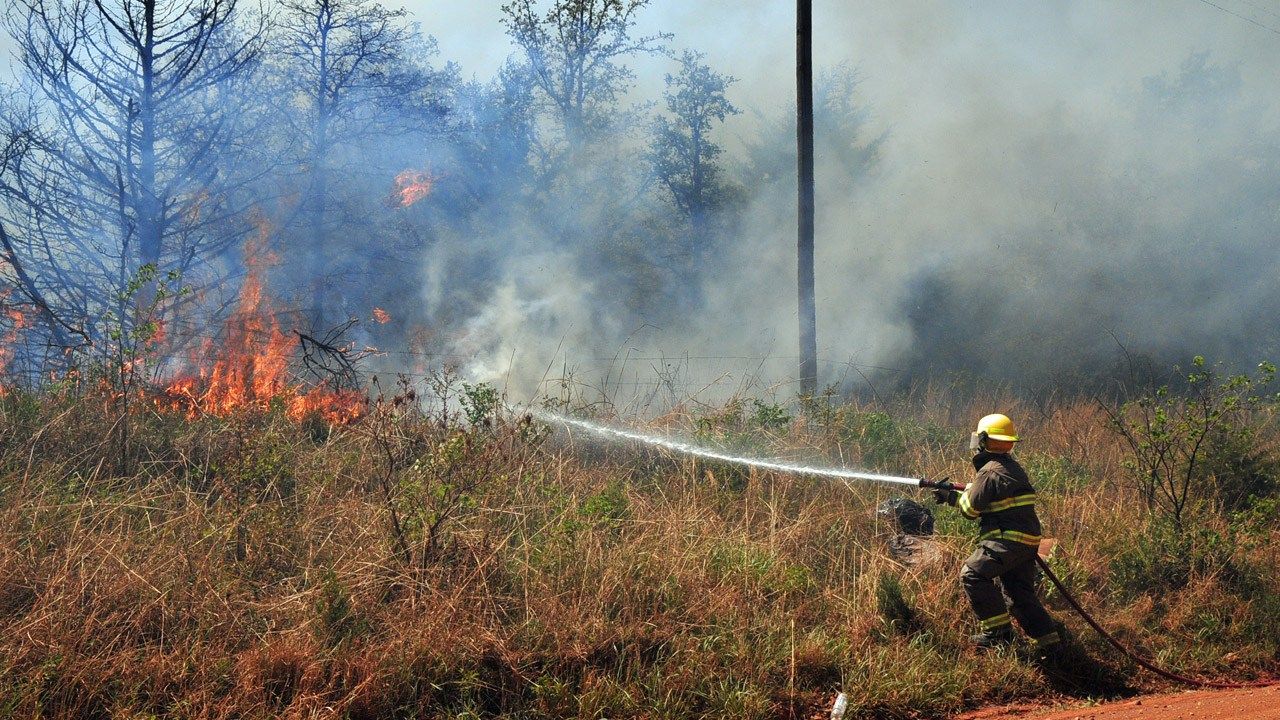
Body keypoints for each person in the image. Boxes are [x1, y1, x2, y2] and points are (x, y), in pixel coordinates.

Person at [932, 413, 1062, 652]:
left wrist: (950, 497)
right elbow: (989, 500)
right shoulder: (1010, 468)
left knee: (973, 574)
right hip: (1026, 541)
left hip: (1006, 539)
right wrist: (961, 493)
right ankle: (1052, 647)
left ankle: (998, 635)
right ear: (1009, 442)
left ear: (982, 440)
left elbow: (970, 510)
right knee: (1019, 594)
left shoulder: (989, 471)